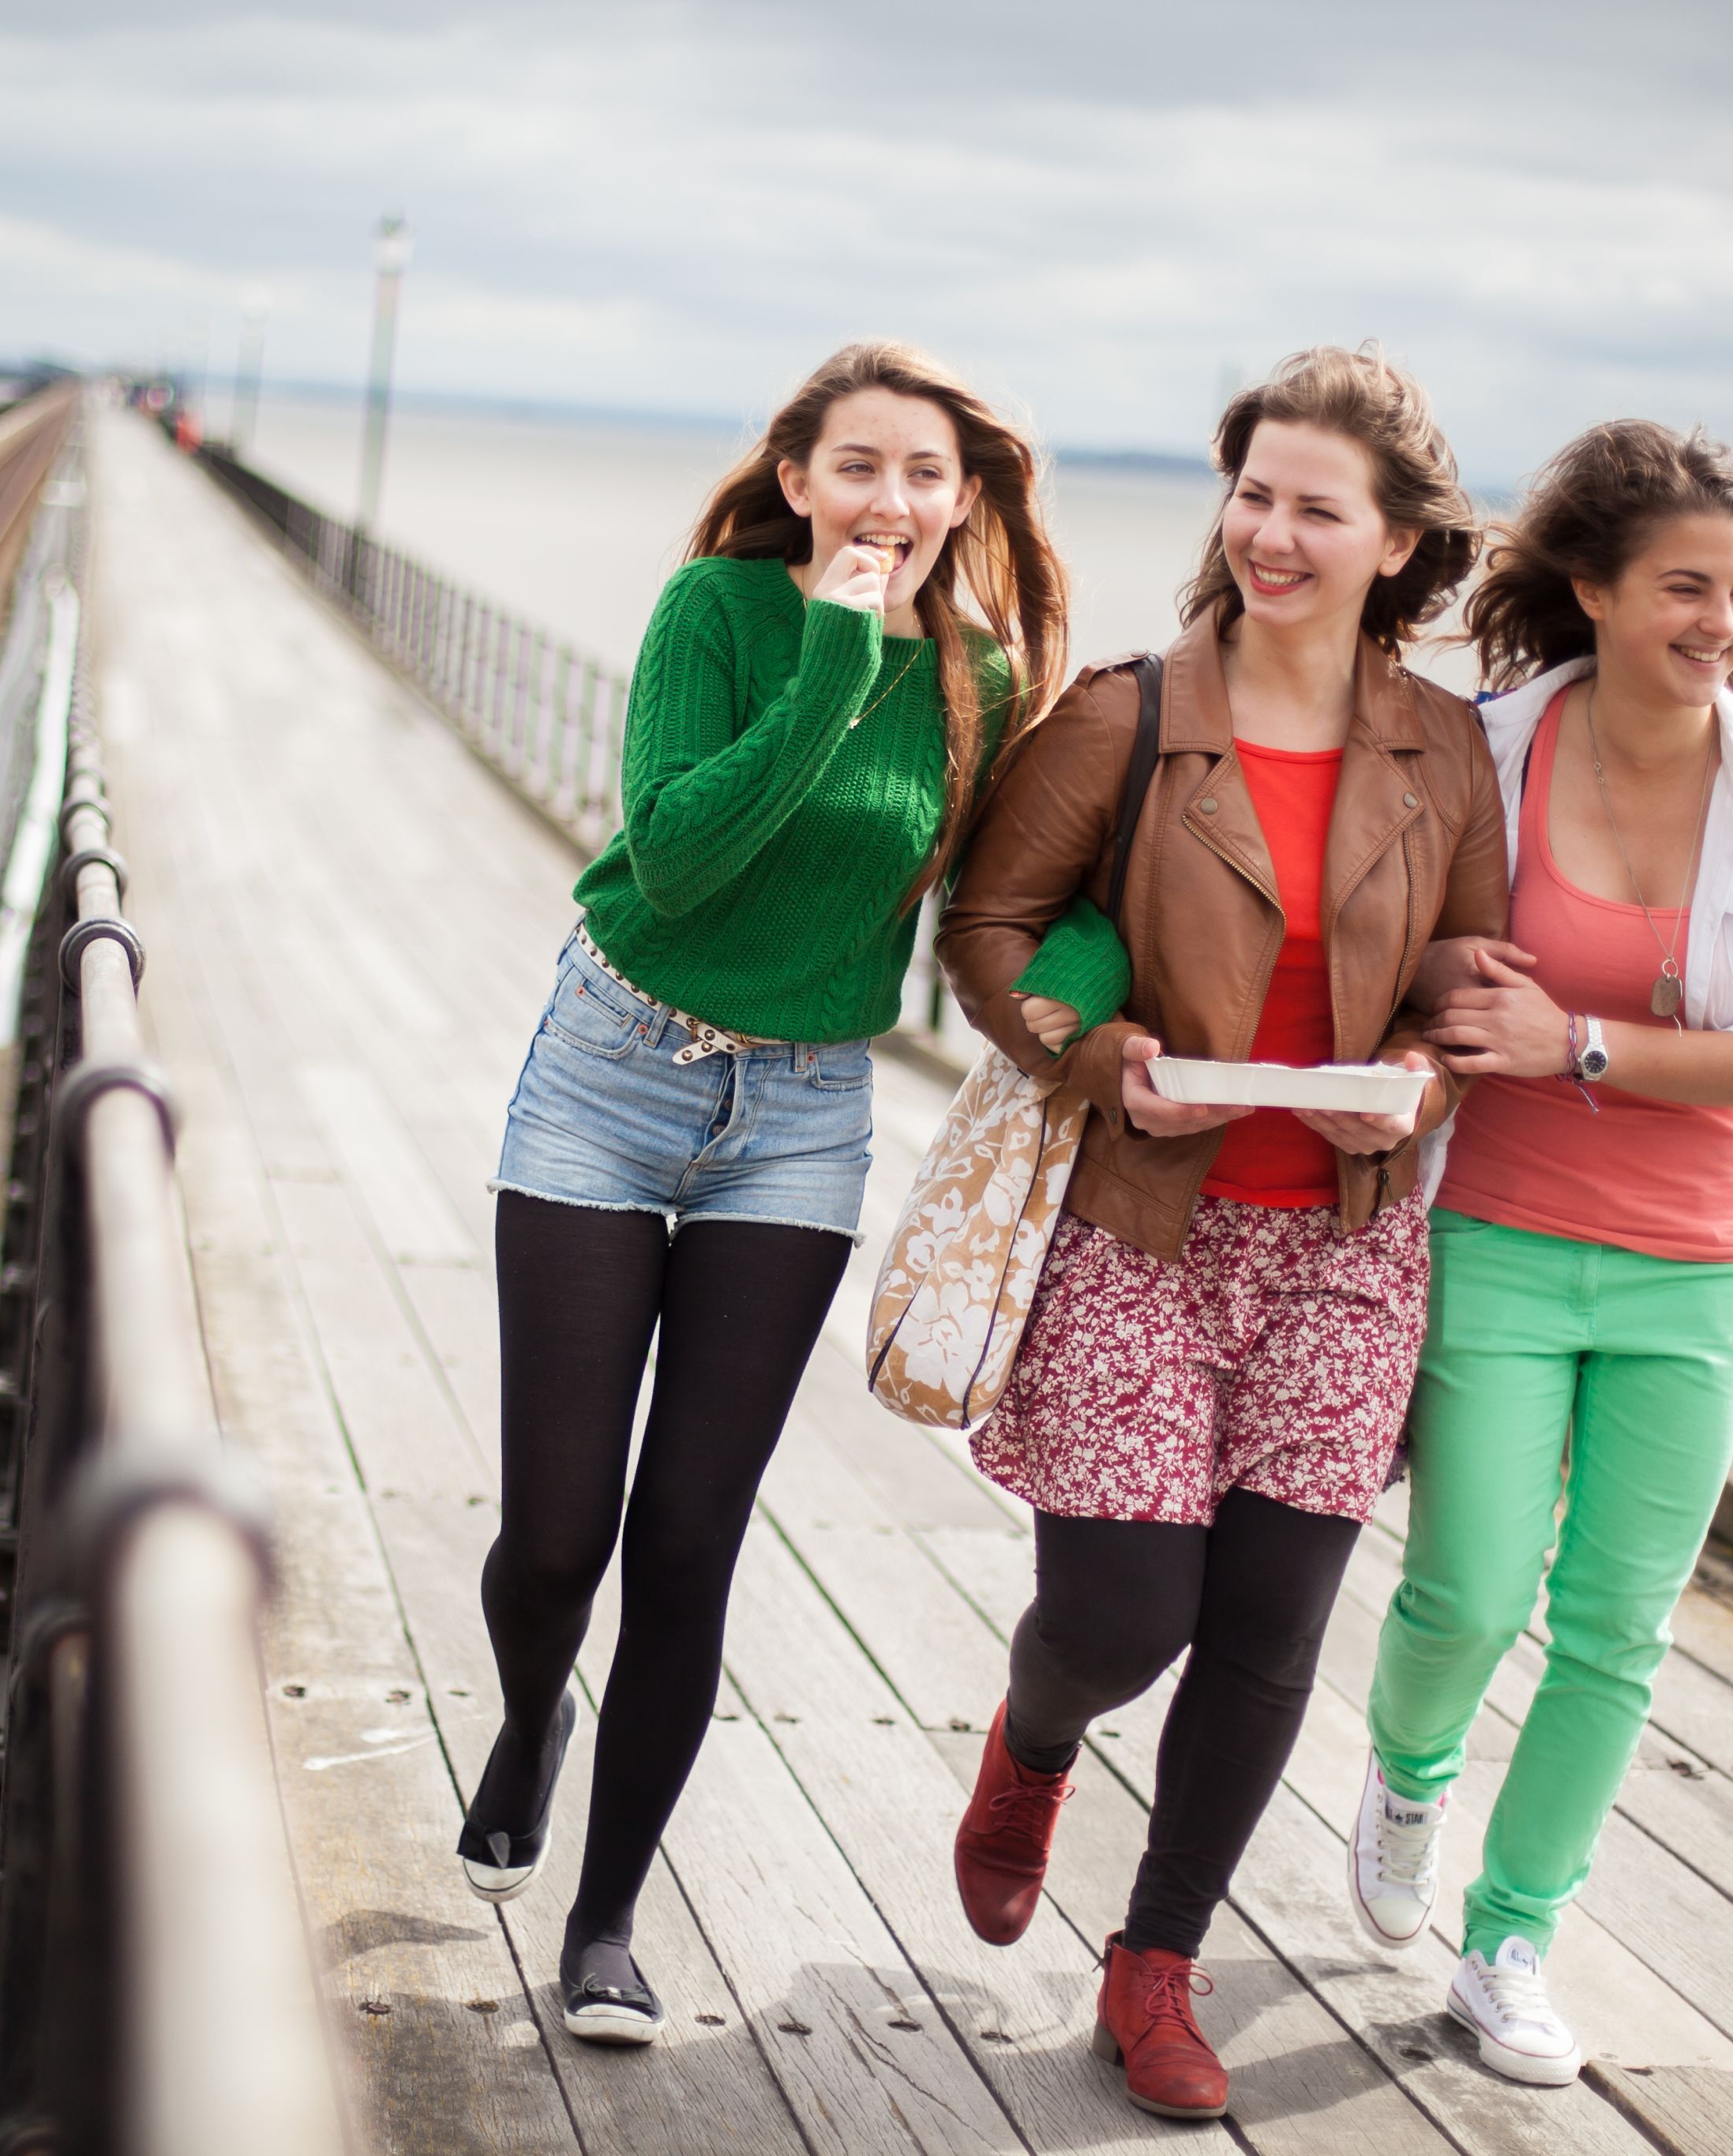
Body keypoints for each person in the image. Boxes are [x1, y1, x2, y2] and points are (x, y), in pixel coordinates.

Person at [467, 341, 1067, 2045]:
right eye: (857, 467)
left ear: (965, 501)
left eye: (924, 476)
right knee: (557, 1534)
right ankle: (528, 1718)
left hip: (799, 1115)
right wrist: (831, 646)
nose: (891, 501)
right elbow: (678, 854)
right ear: (795, 479)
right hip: (604, 1073)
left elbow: (1009, 901)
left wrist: (1085, 1011)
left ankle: (602, 1922)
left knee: (683, 1546)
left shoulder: (982, 684)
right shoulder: (718, 618)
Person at [934, 344, 1505, 2122]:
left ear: (1398, 542)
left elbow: (1465, 983)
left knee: (1267, 1632)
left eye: (1312, 507)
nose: (1267, 531)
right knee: (1117, 1615)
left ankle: (1154, 1967)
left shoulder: (1444, 746)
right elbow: (985, 932)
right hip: (1139, 1228)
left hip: (1340, 1251)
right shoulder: (1121, 714)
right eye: (1249, 492)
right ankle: (1034, 1743)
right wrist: (1105, 1062)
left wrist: (1414, 1082)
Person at [1350, 421, 1733, 2087]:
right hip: (1494, 1228)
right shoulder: (1476, 747)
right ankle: (1406, 1769)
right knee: (1467, 1587)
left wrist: (1573, 1038)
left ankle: (1511, 1936)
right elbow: (1400, 952)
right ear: (1592, 586)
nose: (1718, 618)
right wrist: (1443, 994)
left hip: (1695, 1261)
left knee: (1613, 1630)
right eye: (1683, 586)